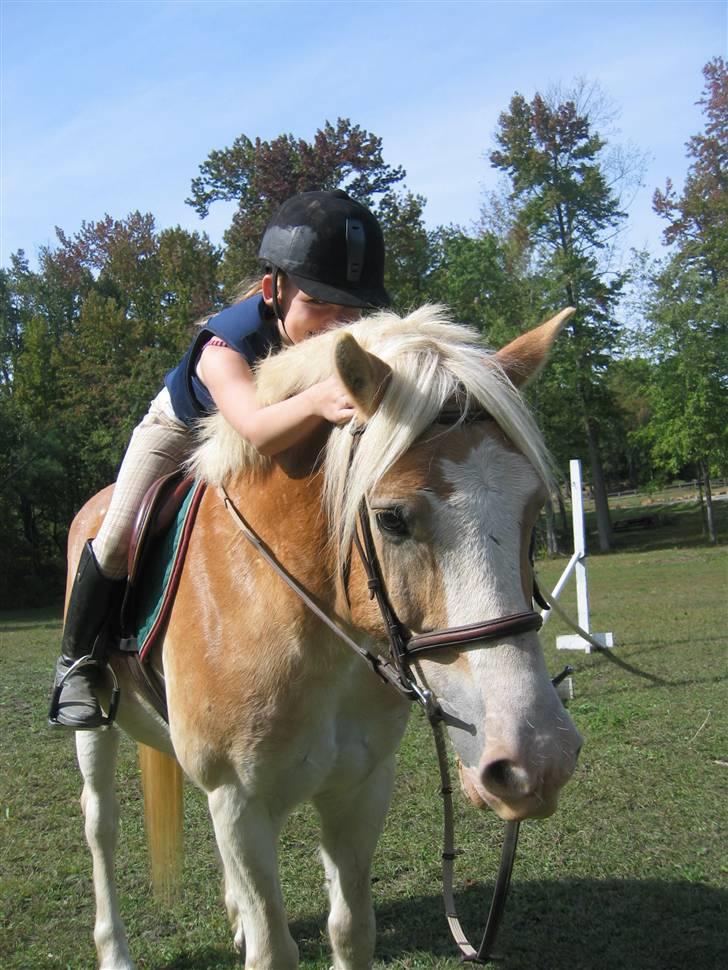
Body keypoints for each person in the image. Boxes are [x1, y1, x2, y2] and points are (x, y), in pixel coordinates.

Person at [49, 189, 391, 729]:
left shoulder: (346, 338)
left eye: (349, 312)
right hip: (181, 432)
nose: (334, 327)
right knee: (115, 536)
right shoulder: (224, 345)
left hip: (277, 426)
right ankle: (77, 665)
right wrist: (319, 400)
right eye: (317, 306)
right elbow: (255, 430)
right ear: (273, 290)